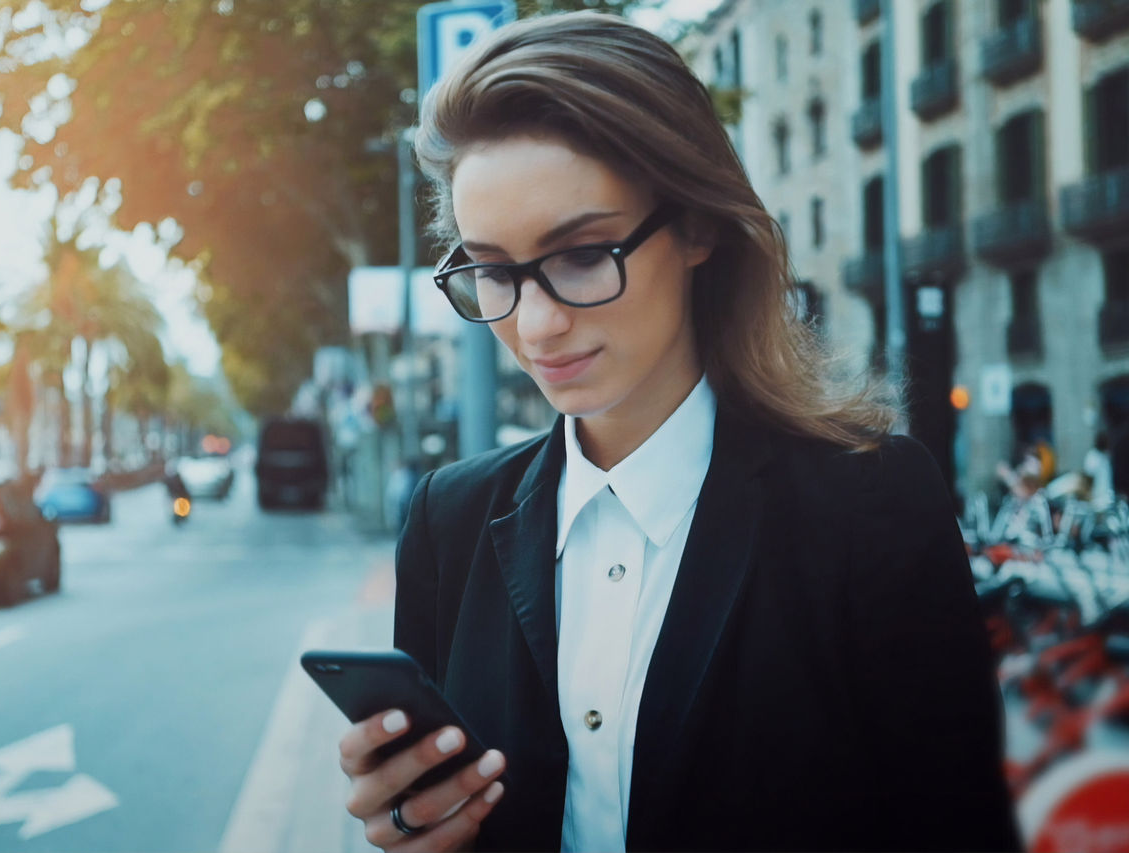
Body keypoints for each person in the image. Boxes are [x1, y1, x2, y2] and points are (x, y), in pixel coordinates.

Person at [336, 12, 1020, 852]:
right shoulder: (448, 519)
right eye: (491, 271)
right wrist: (412, 826)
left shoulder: (872, 504)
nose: (538, 324)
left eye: (583, 253)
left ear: (697, 225)